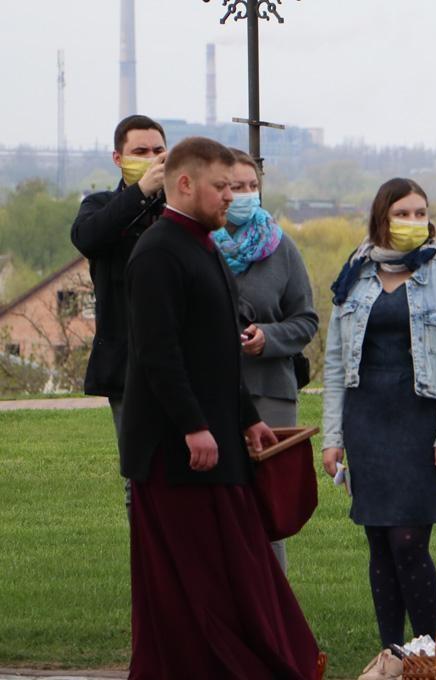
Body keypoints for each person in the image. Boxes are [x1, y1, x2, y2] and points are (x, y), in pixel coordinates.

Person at [121, 136, 323, 679]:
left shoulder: (204, 245)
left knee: (238, 573)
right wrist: (193, 427)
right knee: (193, 584)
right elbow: (157, 355)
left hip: (220, 443)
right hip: (177, 456)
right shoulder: (159, 252)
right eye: (219, 187)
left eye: (236, 188)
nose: (229, 199)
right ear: (185, 184)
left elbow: (219, 350)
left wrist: (247, 419)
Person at [320, 178, 436, 680]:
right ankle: (391, 655)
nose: (414, 222)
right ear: (382, 217)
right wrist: (332, 436)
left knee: (410, 540)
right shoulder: (354, 275)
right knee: (380, 543)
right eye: (403, 213)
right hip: (365, 421)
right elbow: (334, 360)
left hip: (419, 421)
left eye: (421, 213)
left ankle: (426, 655)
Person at [212, 148, 318, 573]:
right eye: (235, 187)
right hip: (214, 394)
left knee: (267, 510)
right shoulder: (200, 244)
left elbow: (306, 319)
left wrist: (268, 338)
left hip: (272, 391)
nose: (245, 195)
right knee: (221, 509)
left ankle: (275, 617)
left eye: (252, 186)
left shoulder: (281, 246)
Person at [70, 115, 167, 513]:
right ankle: (148, 568)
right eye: (140, 152)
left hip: (184, 357)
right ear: (118, 157)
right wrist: (142, 191)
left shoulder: (182, 204)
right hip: (127, 364)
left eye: (158, 151)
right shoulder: (101, 206)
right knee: (140, 475)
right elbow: (88, 237)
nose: (151, 158)